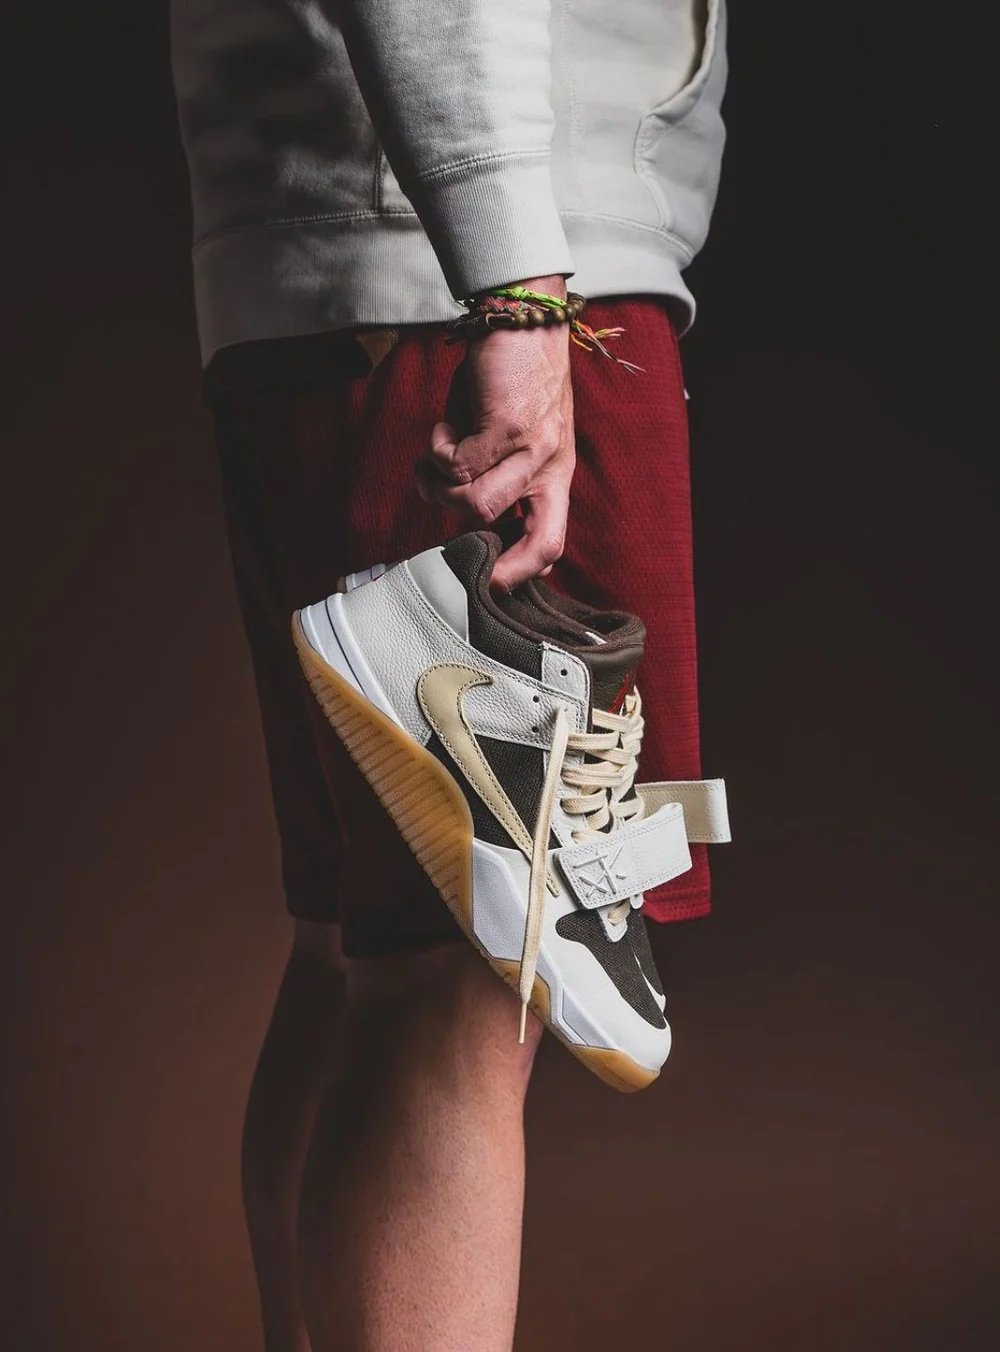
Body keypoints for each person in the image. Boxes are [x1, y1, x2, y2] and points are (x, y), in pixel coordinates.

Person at [171, 2, 728, 1348]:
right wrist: (517, 285)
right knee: (474, 960)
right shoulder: (506, 278)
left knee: (363, 947)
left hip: (382, 252)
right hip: (488, 264)